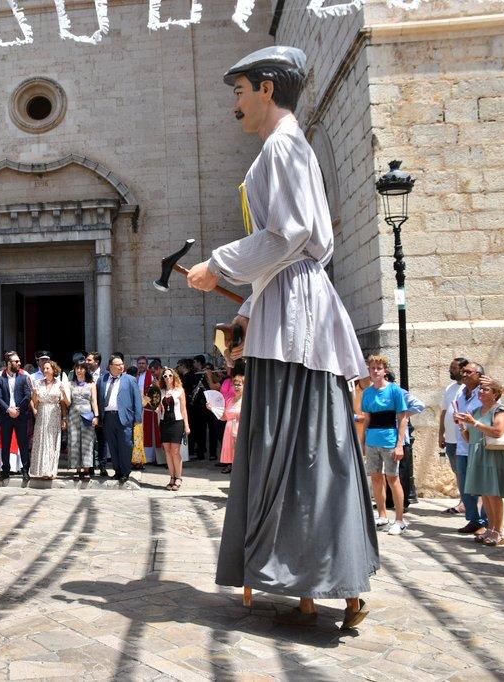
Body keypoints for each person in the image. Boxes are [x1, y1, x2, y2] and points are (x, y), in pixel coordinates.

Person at [187, 46, 377, 628]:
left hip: (297, 314)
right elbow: (284, 246)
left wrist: (218, 265)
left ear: (267, 88)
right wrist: (247, 309)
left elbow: (292, 233)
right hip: (282, 303)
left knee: (305, 440)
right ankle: (300, 579)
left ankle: (327, 573)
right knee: (286, 443)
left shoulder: (286, 145)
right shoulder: (279, 149)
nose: (234, 105)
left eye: (239, 91)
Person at [457, 380, 504, 546]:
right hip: (477, 454)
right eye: (480, 389)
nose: (481, 392)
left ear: (495, 394)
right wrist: (462, 427)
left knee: (494, 494)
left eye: (485, 389)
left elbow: (498, 431)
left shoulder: (499, 410)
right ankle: (490, 527)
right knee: (485, 494)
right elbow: (470, 439)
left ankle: (499, 531)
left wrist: (474, 423)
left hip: (491, 455)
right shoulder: (476, 410)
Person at [360, 356, 409, 535]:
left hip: (389, 439)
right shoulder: (367, 393)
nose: (375, 371)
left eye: (378, 368)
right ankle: (382, 515)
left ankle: (400, 519)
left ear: (385, 370)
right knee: (375, 478)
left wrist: (400, 445)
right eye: (372, 368)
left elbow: (402, 418)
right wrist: (363, 441)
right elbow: (367, 418)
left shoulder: (395, 391)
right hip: (372, 440)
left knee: (392, 478)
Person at [98, 356, 143, 484]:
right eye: (117, 365)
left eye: (122, 364)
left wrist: (138, 418)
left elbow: (137, 400)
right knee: (113, 445)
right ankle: (117, 471)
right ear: (110, 366)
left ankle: (125, 472)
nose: (121, 366)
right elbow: (99, 398)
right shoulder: (102, 380)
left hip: (124, 417)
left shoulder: (130, 379)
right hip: (108, 417)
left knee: (126, 445)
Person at [455, 362, 487, 535]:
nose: (464, 374)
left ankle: (485, 521)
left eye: (468, 372)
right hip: (462, 445)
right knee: (465, 485)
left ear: (479, 375)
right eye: (463, 371)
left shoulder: (484, 394)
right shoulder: (461, 393)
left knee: (482, 485)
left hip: (478, 446)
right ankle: (473, 520)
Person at [0, 351, 33, 481]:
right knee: (5, 443)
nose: (19, 363)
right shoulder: (0, 379)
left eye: (19, 361)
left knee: (23, 443)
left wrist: (18, 410)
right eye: (16, 361)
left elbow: (28, 395)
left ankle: (25, 470)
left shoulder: (24, 378)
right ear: (9, 363)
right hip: (6, 416)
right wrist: (8, 409)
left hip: (20, 415)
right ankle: (5, 469)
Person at [29, 360, 70, 480]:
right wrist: (35, 400)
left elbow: (65, 403)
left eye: (47, 368)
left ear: (53, 370)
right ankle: (42, 470)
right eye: (44, 368)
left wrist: (64, 418)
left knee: (52, 442)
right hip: (42, 414)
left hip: (54, 414)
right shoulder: (38, 383)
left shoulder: (59, 384)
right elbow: (34, 401)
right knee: (41, 440)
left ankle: (51, 470)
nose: (45, 370)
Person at [439, 357, 468, 515]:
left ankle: (469, 503)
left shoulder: (468, 389)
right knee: (458, 472)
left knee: (466, 471)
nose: (451, 370)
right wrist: (440, 434)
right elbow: (444, 412)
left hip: (463, 439)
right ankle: (463, 502)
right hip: (450, 439)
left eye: (454, 368)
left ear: (463, 369)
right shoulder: (449, 388)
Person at [157, 367, 189, 491]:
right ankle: (171, 477)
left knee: (175, 451)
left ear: (174, 376)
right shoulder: (161, 391)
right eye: (165, 376)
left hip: (177, 422)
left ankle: (178, 477)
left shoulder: (179, 390)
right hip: (164, 422)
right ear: (163, 378)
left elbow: (183, 409)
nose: (168, 378)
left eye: (170, 376)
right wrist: (156, 409)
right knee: (167, 451)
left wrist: (186, 425)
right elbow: (158, 408)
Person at [67, 361, 99, 481]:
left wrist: (96, 416)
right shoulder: (71, 384)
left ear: (86, 370)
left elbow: (94, 401)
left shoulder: (91, 384)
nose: (79, 370)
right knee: (74, 440)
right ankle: (77, 468)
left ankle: (86, 468)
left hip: (87, 414)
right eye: (77, 368)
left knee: (87, 441)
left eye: (81, 368)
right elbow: (67, 401)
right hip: (74, 414)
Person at [217, 374, 245, 475]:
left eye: (239, 385)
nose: (236, 387)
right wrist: (212, 409)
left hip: (240, 429)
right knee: (231, 455)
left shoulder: (246, 401)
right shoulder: (229, 400)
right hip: (229, 430)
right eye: (234, 385)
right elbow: (224, 417)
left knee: (239, 454)